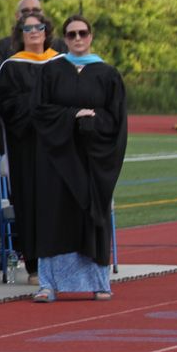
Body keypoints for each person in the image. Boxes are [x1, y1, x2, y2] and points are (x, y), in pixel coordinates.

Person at [30, 15, 125, 302]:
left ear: (91, 36)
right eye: (71, 35)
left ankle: (98, 282)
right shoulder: (51, 71)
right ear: (64, 39)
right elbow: (40, 111)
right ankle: (48, 284)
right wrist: (72, 115)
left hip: (91, 158)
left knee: (91, 216)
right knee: (53, 216)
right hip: (56, 159)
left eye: (83, 33)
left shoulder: (107, 74)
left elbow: (116, 119)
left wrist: (93, 123)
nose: (78, 39)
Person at [0, 11, 59, 285]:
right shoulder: (11, 67)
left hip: (57, 147)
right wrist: (43, 109)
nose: (34, 31)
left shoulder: (61, 63)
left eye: (39, 27)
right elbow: (8, 108)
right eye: (27, 28)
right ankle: (33, 265)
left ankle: (60, 263)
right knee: (30, 203)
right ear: (20, 34)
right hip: (27, 148)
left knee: (56, 204)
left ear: (46, 31)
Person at [0, 0, 66, 82]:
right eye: (25, 11)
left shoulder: (59, 47)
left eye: (36, 11)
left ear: (43, 14)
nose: (31, 14)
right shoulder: (2, 47)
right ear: (17, 16)